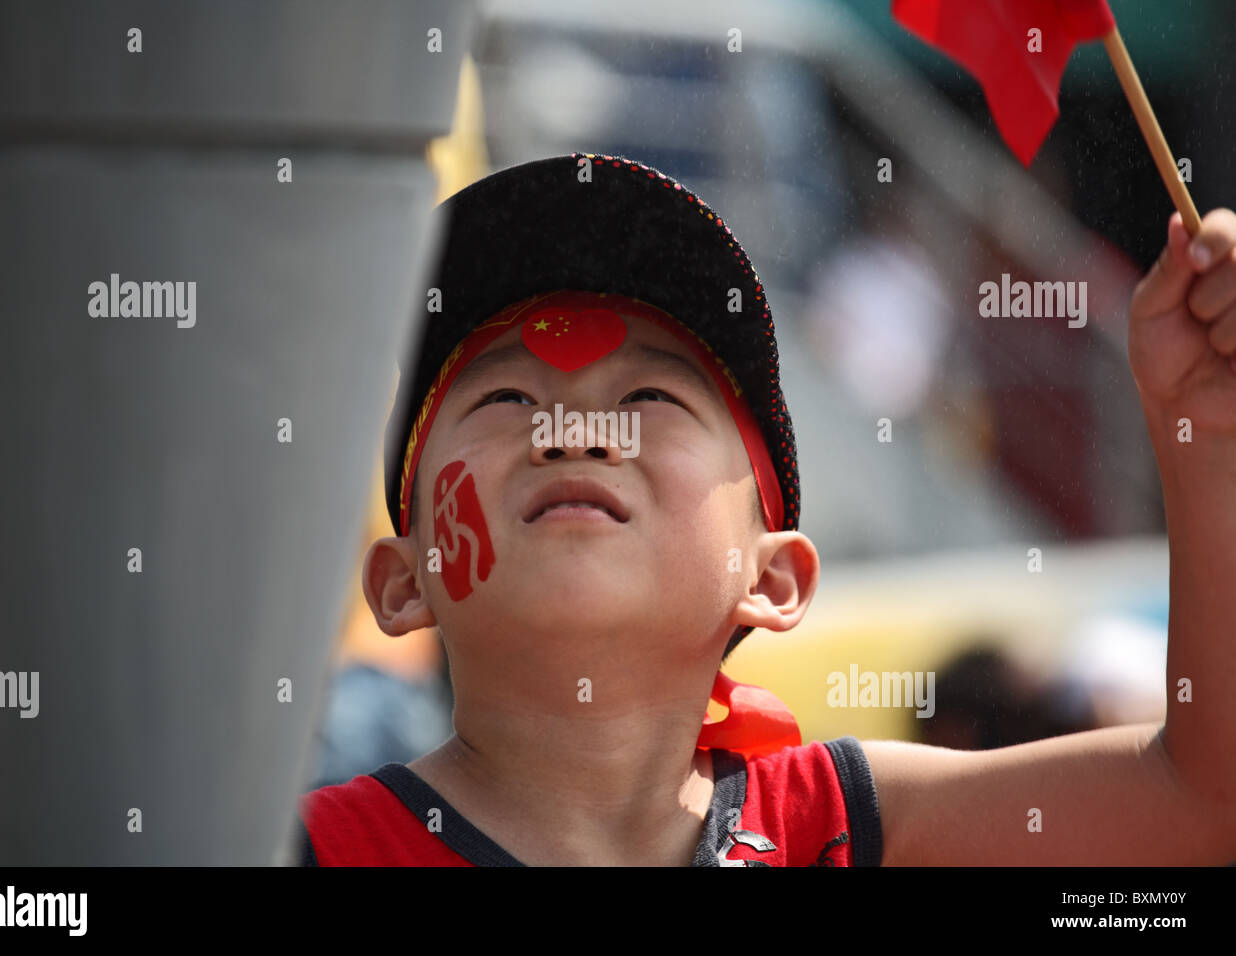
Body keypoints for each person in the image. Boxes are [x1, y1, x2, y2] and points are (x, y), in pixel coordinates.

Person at [295, 152, 1236, 865]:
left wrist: (1205, 435)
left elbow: (1204, 801)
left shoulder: (844, 827)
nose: (575, 433)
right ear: (401, 581)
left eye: (647, 403)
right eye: (506, 402)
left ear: (775, 576)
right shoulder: (294, 849)